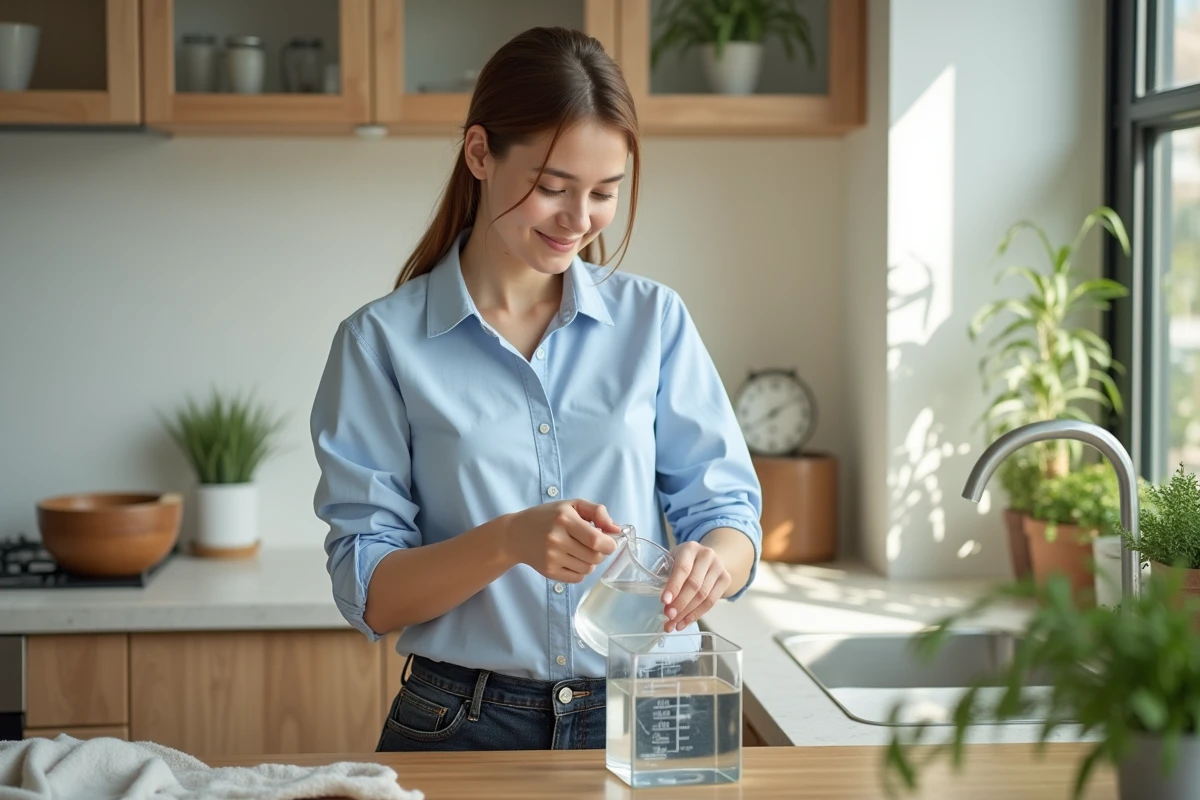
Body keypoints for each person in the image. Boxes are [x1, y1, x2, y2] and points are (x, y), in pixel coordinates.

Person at [309, 26, 763, 753]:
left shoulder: (654, 321)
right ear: (481, 152)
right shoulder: (380, 344)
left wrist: (715, 560)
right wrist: (509, 541)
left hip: (652, 708)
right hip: (466, 721)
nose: (579, 222)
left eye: (604, 194)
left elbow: (728, 513)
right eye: (553, 188)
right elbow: (372, 594)